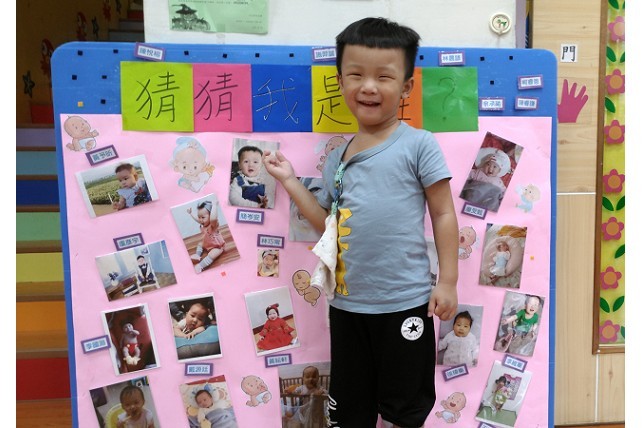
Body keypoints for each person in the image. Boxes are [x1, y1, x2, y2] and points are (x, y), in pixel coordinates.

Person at [263, 17, 459, 428]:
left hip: (406, 303)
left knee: (406, 408)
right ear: (340, 81)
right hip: (347, 307)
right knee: (350, 409)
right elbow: (327, 224)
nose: (369, 86)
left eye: (384, 77)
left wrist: (448, 281)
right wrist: (290, 181)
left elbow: (443, 213)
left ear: (406, 87)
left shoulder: (419, 144)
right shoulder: (338, 158)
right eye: (356, 75)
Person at [187, 200, 226, 273]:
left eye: (203, 217)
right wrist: (191, 213)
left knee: (212, 254)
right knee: (200, 244)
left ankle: (200, 266)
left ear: (210, 215)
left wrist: (214, 205)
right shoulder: (203, 223)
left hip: (217, 246)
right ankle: (197, 255)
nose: (200, 220)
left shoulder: (213, 225)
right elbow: (197, 220)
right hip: (208, 243)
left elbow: (213, 218)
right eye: (199, 217)